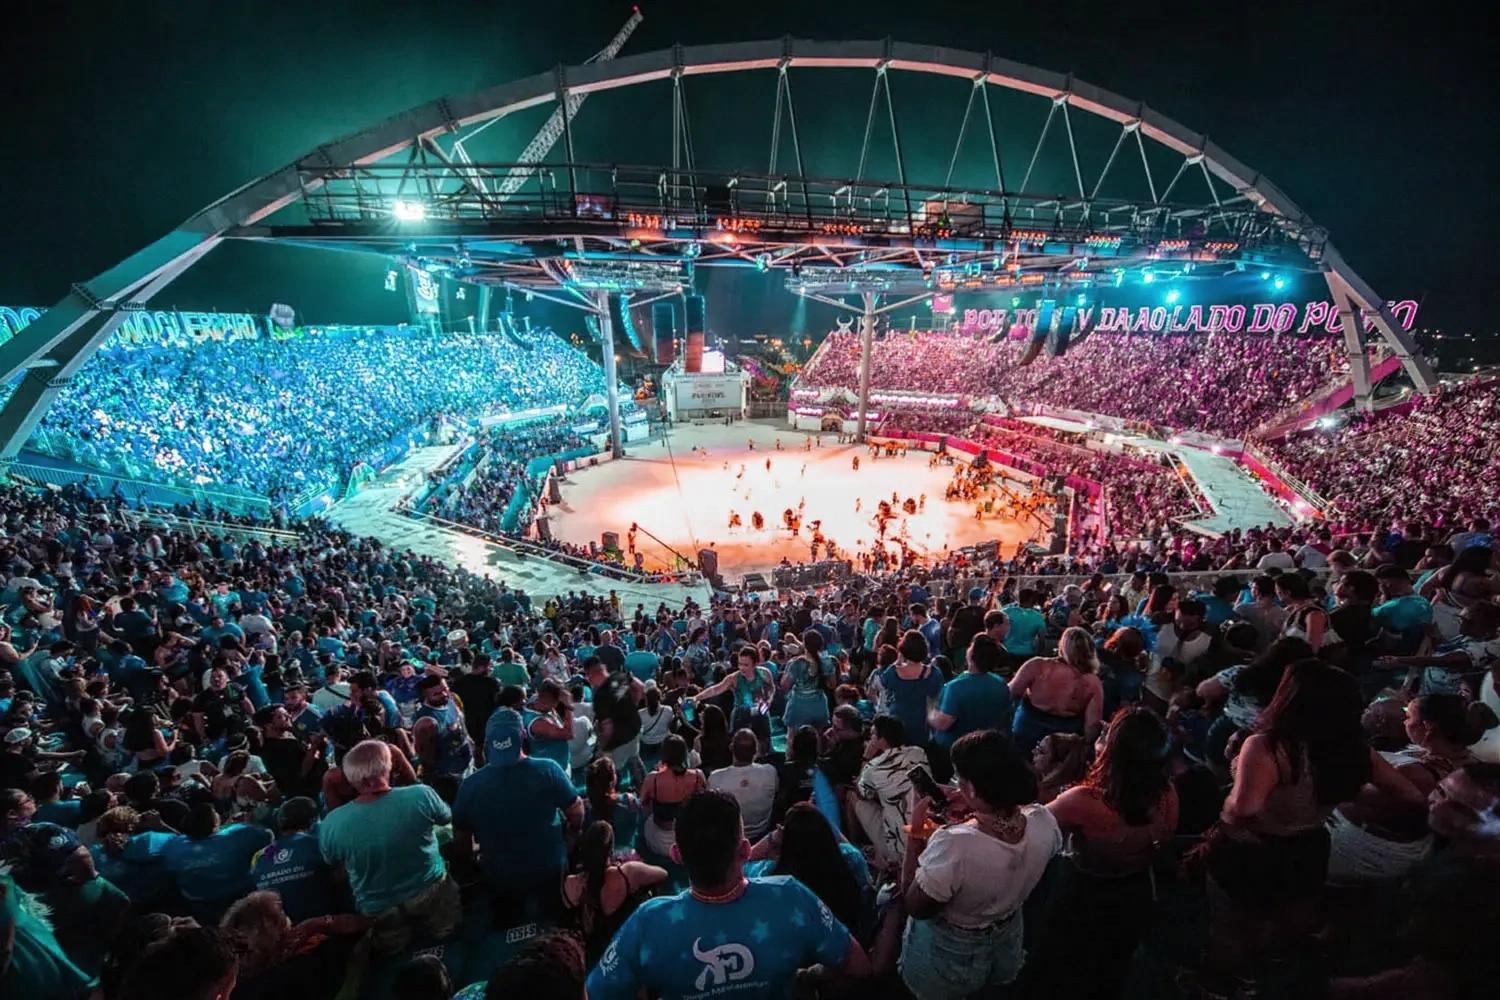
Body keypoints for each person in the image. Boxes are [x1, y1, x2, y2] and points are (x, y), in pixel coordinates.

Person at [1200, 659, 1423, 991]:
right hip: (1310, 844)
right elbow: (1410, 795)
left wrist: (1235, 788)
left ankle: (1222, 986)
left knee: (1232, 923)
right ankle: (1269, 973)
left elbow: (1244, 807)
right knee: (1288, 916)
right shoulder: (1355, 751)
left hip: (1254, 846)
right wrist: (1343, 795)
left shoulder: (1268, 746)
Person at [586, 789, 870, 1000]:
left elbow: (594, 993)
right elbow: (858, 967)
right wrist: (810, 977)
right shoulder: (790, 897)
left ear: (676, 856)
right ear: (745, 850)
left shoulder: (648, 923)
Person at [899, 729, 1061, 998]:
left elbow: (914, 905)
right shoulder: (1044, 821)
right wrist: (977, 803)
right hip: (1008, 933)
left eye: (960, 779)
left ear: (972, 787)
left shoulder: (954, 845)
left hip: (953, 951)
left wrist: (916, 833)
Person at [1030, 707, 1178, 999]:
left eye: (1107, 733)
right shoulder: (1168, 794)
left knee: (1059, 966)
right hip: (1134, 891)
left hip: (1084, 891)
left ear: (1112, 752)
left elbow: (1027, 827)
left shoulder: (1085, 801)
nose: (1101, 732)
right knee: (1110, 968)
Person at [317, 739, 458, 953]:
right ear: (389, 767)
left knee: (393, 953)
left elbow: (332, 861)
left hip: (378, 908)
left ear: (352, 779)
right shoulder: (420, 795)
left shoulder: (330, 824)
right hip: (430, 890)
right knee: (448, 934)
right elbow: (445, 817)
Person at [1327, 693, 1481, 883]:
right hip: (1410, 843)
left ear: (1427, 727)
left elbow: (1347, 795)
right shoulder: (1465, 759)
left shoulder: (1418, 775)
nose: (1404, 722)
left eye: (1408, 717)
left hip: (1376, 854)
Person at [454, 708, 583, 918]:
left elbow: (461, 841)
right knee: (553, 919)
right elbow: (576, 810)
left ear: (488, 743)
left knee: (507, 923)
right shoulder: (548, 770)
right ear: (522, 736)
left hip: (500, 873)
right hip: (549, 866)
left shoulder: (470, 786)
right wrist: (571, 836)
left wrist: (474, 861)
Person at [219, 890, 368, 1000]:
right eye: (281, 913)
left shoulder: (231, 984)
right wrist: (323, 923)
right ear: (274, 932)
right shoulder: (305, 964)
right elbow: (362, 928)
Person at [747, 801, 868, 934]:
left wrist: (771, 838)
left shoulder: (770, 874)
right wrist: (817, 819)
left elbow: (741, 863)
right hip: (849, 940)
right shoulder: (851, 859)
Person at [562, 820, 669, 963]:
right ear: (610, 851)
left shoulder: (571, 883)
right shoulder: (627, 873)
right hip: (624, 946)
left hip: (591, 952)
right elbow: (662, 874)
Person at [160, 802, 275, 924]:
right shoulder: (237, 834)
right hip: (237, 899)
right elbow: (269, 835)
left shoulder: (175, 845)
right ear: (215, 821)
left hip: (196, 905)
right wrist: (247, 823)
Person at [928, 633, 1013, 781]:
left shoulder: (956, 688)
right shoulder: (1000, 684)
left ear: (972, 655)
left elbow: (943, 723)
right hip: (984, 749)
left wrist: (929, 710)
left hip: (953, 751)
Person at [1008, 626, 1105, 754]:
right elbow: (1091, 727)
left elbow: (1010, 693)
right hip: (1063, 742)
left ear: (1062, 645)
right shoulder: (1093, 683)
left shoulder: (1037, 666)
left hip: (1027, 731)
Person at [251, 796, 337, 922]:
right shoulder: (317, 844)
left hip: (280, 928)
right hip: (322, 925)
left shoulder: (262, 855)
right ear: (313, 822)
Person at [693, 646, 775, 754]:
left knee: (765, 746)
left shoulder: (765, 673)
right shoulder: (734, 678)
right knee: (739, 748)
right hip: (741, 716)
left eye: (746, 665)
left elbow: (771, 688)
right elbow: (716, 689)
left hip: (761, 712)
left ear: (755, 663)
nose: (742, 668)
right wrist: (696, 697)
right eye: (740, 664)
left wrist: (769, 700)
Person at [640, 734, 706, 857]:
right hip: (690, 837)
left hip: (660, 840)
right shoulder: (698, 776)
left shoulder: (652, 778)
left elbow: (643, 804)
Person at [707, 729, 780, 840]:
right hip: (760, 834)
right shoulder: (770, 771)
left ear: (731, 748)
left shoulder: (715, 778)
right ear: (756, 750)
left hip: (732, 837)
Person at [877, 630, 943, 750]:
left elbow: (882, 683)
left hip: (896, 724)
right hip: (920, 724)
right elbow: (936, 699)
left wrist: (898, 660)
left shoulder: (893, 672)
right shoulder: (934, 673)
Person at [780, 629, 833, 731]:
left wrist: (788, 661)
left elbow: (784, 686)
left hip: (799, 706)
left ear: (804, 644)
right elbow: (832, 685)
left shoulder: (797, 663)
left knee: (792, 737)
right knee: (818, 738)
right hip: (819, 706)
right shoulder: (827, 662)